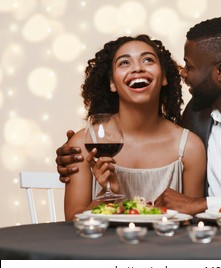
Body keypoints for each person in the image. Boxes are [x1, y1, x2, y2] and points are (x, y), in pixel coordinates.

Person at [56, 17, 221, 215]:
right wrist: (72, 154)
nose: (182, 73)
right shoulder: (197, 115)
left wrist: (205, 204)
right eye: (124, 62)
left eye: (191, 67)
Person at [63, 34, 206, 221]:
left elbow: (193, 223)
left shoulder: (190, 147)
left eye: (147, 60)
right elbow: (70, 226)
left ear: (163, 77)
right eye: (124, 63)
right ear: (112, 83)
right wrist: (107, 197)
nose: (137, 68)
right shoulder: (82, 144)